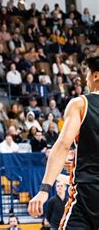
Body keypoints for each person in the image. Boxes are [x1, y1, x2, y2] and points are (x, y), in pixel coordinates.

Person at [28, 55, 99, 229]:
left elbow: (62, 145)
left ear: (96, 76)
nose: (86, 79)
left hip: (86, 193)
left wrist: (44, 189)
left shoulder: (81, 104)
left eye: (87, 74)